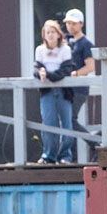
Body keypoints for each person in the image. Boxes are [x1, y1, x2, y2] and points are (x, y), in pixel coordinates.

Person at [34, 19, 75, 163]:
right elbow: (36, 69)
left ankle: (65, 155)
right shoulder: (39, 50)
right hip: (47, 91)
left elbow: (65, 70)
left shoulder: (66, 49)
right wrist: (40, 72)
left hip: (64, 91)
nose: (50, 35)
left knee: (66, 123)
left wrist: (47, 75)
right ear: (44, 35)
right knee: (48, 122)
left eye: (53, 32)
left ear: (59, 34)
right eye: (47, 32)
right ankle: (48, 156)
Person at [63, 9, 97, 159]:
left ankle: (95, 144)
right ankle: (68, 154)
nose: (70, 26)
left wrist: (75, 74)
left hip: (79, 88)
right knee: (66, 120)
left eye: (73, 23)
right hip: (66, 88)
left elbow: (91, 67)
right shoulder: (66, 42)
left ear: (81, 24)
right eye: (68, 23)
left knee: (70, 120)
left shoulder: (86, 43)